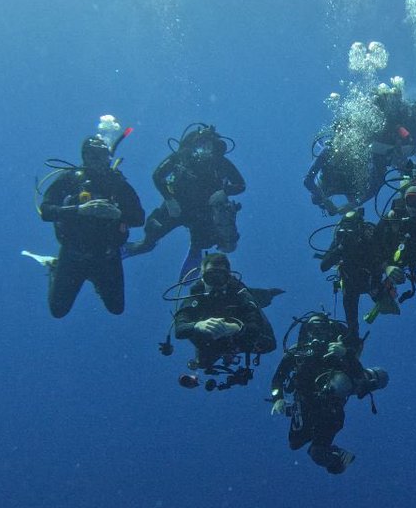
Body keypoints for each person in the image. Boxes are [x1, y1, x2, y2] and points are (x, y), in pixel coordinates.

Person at [268, 312, 389, 475]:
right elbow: (278, 379)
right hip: (304, 403)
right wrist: (278, 398)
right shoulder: (296, 352)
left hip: (330, 410)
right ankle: (335, 457)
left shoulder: (337, 349)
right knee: (294, 443)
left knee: (318, 454)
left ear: (329, 330)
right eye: (312, 329)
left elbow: (358, 375)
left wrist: (345, 354)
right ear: (306, 332)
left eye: (321, 329)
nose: (316, 334)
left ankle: (340, 459)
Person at [39, 134, 144, 318]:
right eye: (92, 155)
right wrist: (79, 210)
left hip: (107, 256)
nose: (97, 161)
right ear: (84, 157)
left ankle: (95, 277)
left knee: (116, 308)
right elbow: (46, 211)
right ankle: (55, 269)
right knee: (58, 311)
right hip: (73, 254)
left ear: (108, 157)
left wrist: (118, 214)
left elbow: (139, 218)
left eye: (102, 155)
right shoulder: (70, 179)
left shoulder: (118, 184)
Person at [124, 124, 246, 280]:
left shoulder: (221, 162)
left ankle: (196, 250)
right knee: (153, 233)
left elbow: (241, 184)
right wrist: (169, 199)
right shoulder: (181, 156)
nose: (204, 149)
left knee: (215, 243)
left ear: (215, 147)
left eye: (209, 145)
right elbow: (157, 175)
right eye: (201, 144)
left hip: (204, 211)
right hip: (177, 206)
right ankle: (139, 246)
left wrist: (223, 191)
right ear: (194, 144)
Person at [304, 80, 416, 215]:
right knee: (318, 198)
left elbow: (308, 181)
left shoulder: (355, 152)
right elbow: (308, 181)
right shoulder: (338, 153)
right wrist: (351, 204)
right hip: (352, 185)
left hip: (383, 152)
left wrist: (348, 203)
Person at [171, 253, 278, 391]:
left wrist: (237, 328)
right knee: (203, 362)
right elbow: (179, 329)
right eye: (210, 277)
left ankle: (266, 295)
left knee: (268, 343)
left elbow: (257, 325)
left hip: (240, 338)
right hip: (210, 342)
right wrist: (198, 325)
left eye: (220, 277)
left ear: (228, 278)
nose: (215, 284)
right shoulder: (196, 296)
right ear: (202, 278)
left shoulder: (240, 293)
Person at [317, 208, 399, 340]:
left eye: (352, 227)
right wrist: (341, 247)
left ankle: (384, 296)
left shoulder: (369, 236)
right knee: (352, 326)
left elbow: (385, 253)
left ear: (359, 226)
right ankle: (353, 338)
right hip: (350, 284)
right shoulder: (340, 239)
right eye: (346, 227)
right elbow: (324, 266)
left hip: (371, 280)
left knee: (386, 301)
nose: (349, 231)